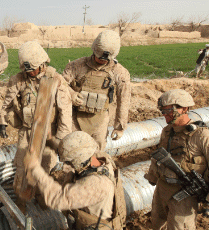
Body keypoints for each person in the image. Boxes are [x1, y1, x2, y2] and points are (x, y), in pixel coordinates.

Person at [0, 41, 72, 196]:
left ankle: (39, 199)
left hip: (48, 133)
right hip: (26, 131)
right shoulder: (18, 80)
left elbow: (65, 112)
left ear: (43, 64)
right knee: (22, 166)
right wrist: (1, 122)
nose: (31, 73)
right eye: (27, 70)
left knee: (43, 168)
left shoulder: (55, 80)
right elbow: (7, 104)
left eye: (33, 69)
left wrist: (61, 138)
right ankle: (20, 198)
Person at [24, 131, 126, 230]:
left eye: (69, 162)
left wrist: (34, 168)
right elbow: (78, 151)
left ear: (78, 161)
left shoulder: (95, 184)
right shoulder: (98, 159)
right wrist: (53, 144)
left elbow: (57, 198)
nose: (68, 165)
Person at [144, 89, 209, 230]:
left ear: (184, 108)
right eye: (162, 111)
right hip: (162, 189)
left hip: (185, 194)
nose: (164, 115)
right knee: (156, 224)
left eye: (168, 110)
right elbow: (158, 156)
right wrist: (153, 176)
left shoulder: (201, 135)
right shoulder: (167, 131)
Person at [62, 30, 131, 151]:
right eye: (99, 57)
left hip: (100, 121)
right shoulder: (76, 66)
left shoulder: (120, 72)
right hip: (75, 119)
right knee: (73, 153)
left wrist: (120, 127)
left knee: (97, 155)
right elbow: (60, 85)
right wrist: (71, 94)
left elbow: (124, 99)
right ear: (94, 50)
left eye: (106, 59)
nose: (102, 60)